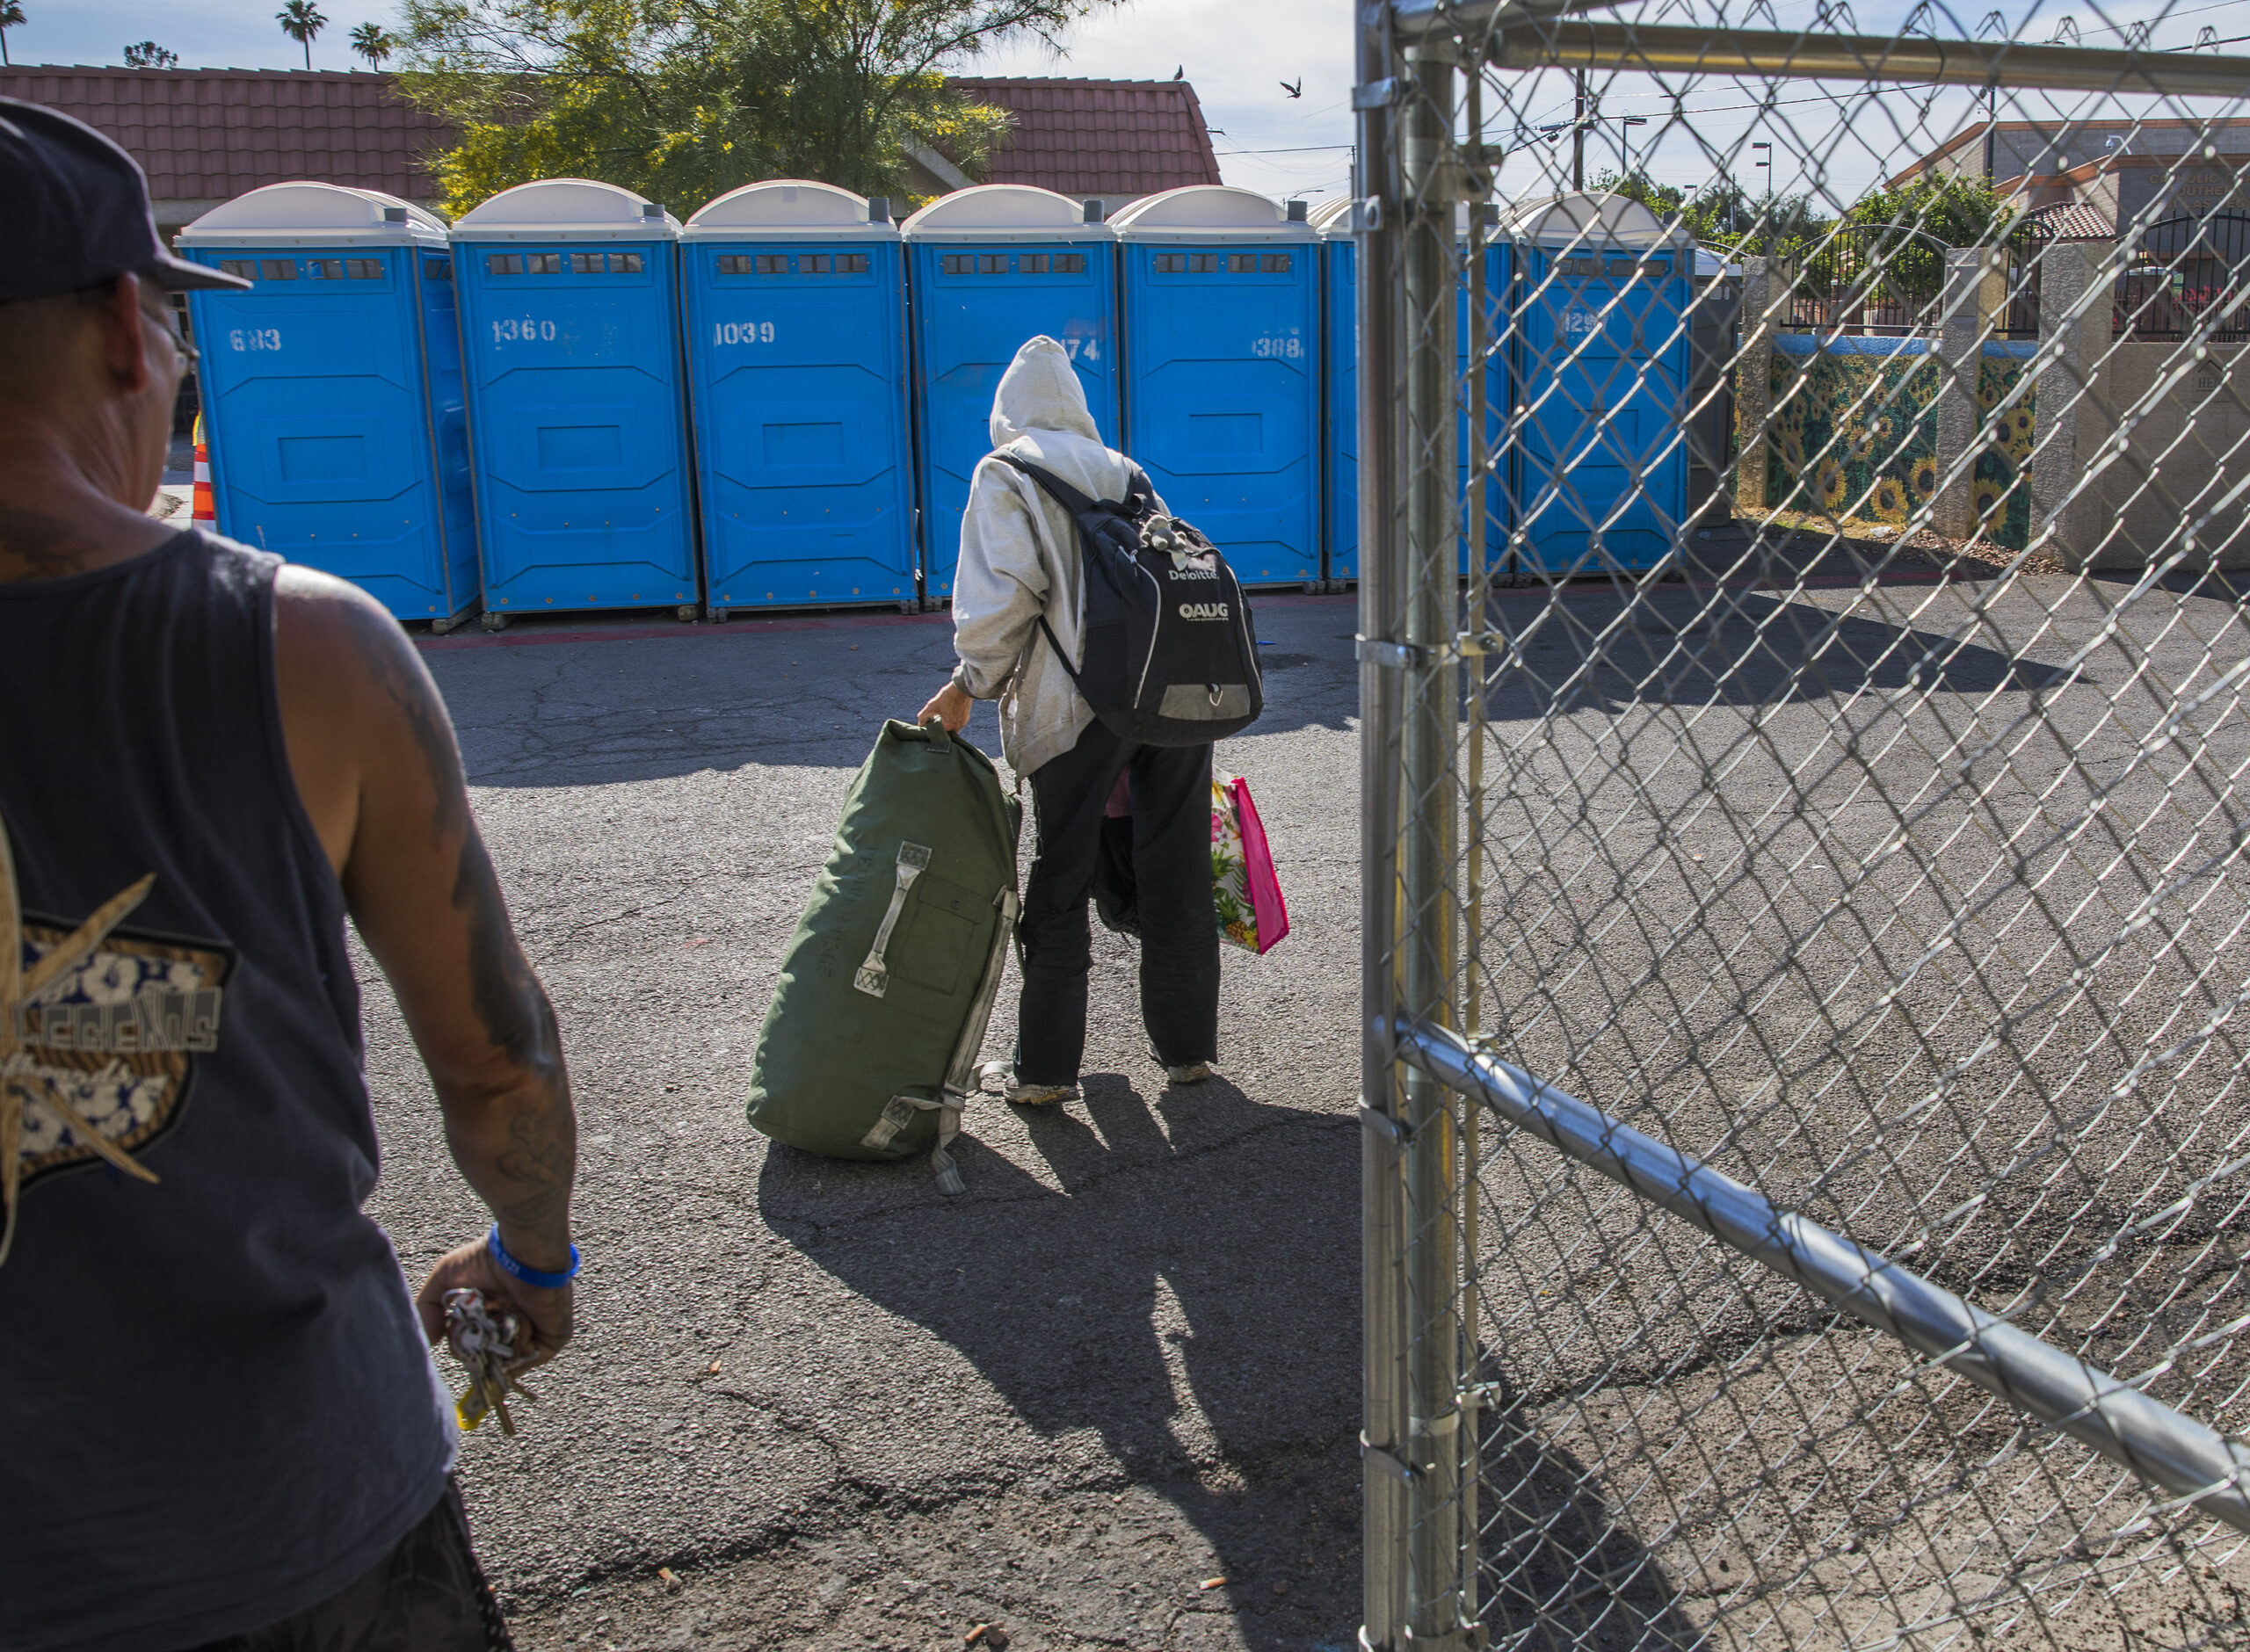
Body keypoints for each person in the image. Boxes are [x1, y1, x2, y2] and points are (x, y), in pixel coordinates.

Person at [0, 101, 577, 1650]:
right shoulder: (302, 649)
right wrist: (532, 1257)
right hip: (288, 1519)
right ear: (133, 331)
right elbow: (496, 1058)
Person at [918, 335, 1220, 1106]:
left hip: (1077, 703)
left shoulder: (1008, 471)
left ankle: (1045, 1070)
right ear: (1078, 408)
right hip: (1173, 694)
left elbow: (1003, 595)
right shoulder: (1129, 471)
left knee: (1059, 875)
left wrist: (968, 684)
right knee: (1176, 867)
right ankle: (1188, 1053)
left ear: (1007, 414)